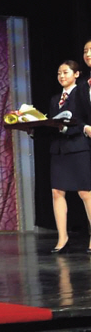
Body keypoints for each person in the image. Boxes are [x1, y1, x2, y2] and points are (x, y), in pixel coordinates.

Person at [48, 61, 91, 253]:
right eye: (59, 73)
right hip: (59, 149)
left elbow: (84, 118)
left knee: (85, 193)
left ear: (76, 74)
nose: (62, 76)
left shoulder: (81, 93)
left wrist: (76, 127)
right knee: (57, 192)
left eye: (65, 72)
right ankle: (62, 238)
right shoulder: (55, 98)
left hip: (78, 146)